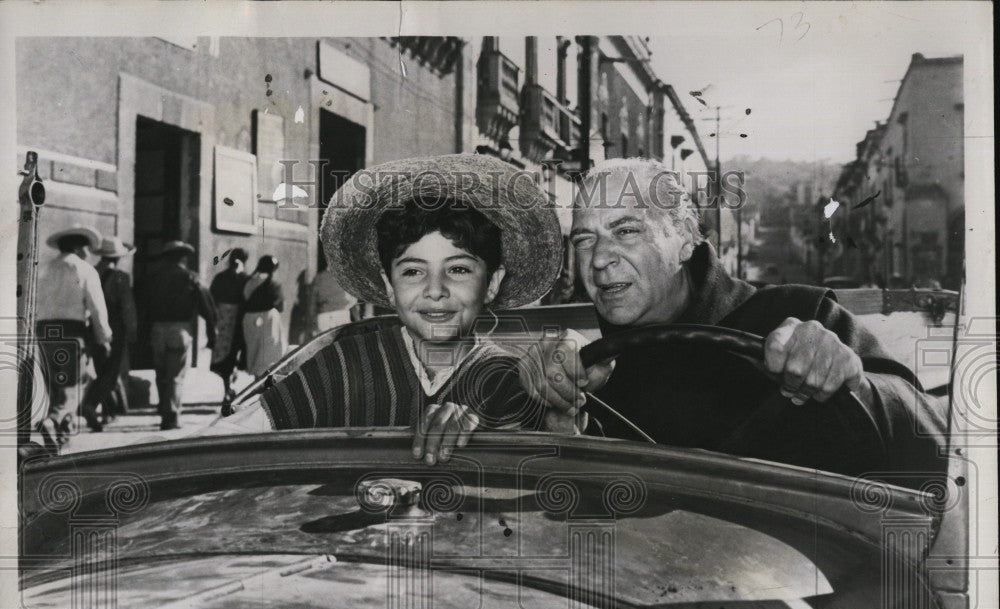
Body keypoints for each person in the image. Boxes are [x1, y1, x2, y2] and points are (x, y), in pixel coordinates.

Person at [520, 158, 947, 483]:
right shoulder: (590, 374)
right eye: (584, 239)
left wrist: (856, 383)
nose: (598, 259)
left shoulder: (801, 316)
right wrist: (557, 418)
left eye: (626, 230)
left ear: (685, 239)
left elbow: (933, 442)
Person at [214, 153, 563, 464]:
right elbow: (228, 440)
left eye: (458, 269)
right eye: (412, 272)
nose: (435, 291)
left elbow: (555, 460)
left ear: (492, 284)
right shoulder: (341, 365)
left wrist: (494, 431)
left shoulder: (513, 379)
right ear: (387, 285)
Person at [34, 225, 112, 451]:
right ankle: (53, 421)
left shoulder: (44, 269)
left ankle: (60, 439)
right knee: (76, 383)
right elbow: (97, 308)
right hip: (72, 331)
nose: (88, 252)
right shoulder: (85, 270)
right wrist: (103, 337)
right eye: (86, 247)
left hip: (44, 331)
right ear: (79, 248)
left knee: (54, 385)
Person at [145, 240, 217, 430]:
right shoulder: (190, 277)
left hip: (158, 329)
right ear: (183, 257)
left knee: (161, 373)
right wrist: (211, 331)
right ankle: (171, 416)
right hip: (180, 330)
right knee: (175, 375)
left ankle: (163, 408)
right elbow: (206, 307)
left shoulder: (153, 277)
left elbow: (143, 305)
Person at [80, 235, 138, 431]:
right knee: (111, 372)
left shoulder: (91, 272)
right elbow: (128, 307)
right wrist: (132, 331)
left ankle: (108, 412)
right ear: (117, 257)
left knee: (101, 366)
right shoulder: (121, 278)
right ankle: (90, 404)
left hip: (92, 326)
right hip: (115, 327)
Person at [210, 247, 249, 407]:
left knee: (226, 357)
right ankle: (229, 389)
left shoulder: (220, 278)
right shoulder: (246, 279)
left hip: (223, 322)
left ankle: (228, 388)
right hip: (239, 321)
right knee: (234, 355)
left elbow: (212, 299)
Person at [242, 255, 287, 377]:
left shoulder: (249, 282)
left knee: (254, 350)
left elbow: (244, 299)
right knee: (268, 351)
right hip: (268, 318)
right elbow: (280, 306)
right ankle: (264, 380)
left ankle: (257, 378)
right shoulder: (274, 284)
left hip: (249, 318)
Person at [311, 252, 357, 335]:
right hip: (341, 315)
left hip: (323, 317)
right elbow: (354, 300)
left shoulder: (319, 278)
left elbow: (312, 303)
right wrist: (344, 306)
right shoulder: (344, 277)